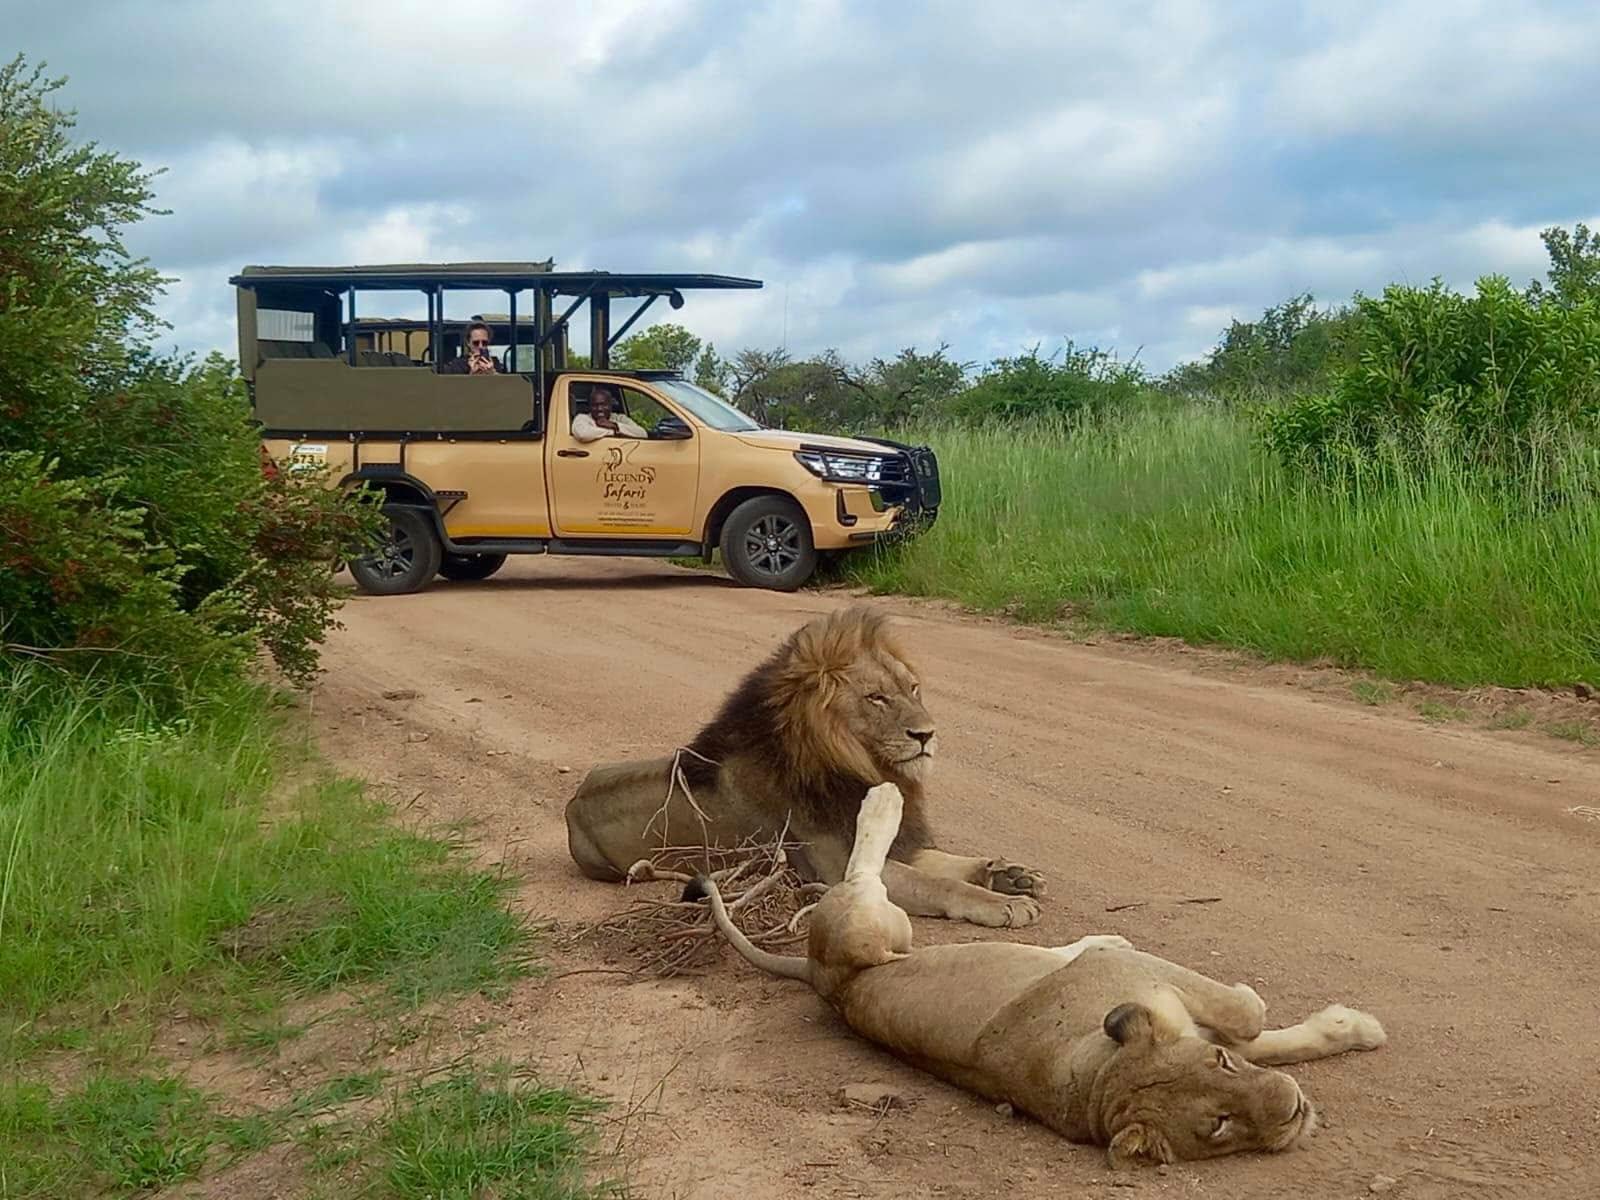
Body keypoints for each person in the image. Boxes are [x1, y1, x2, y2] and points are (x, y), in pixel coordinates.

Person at [572, 385, 647, 441]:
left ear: (610, 405)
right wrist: (613, 432)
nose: (599, 409)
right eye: (595, 405)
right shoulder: (582, 418)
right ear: (589, 407)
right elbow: (582, 434)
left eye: (604, 405)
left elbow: (642, 434)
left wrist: (615, 425)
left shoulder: (620, 418)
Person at [439, 322, 505, 374]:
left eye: (484, 343)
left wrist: (493, 374)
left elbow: (506, 386)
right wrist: (472, 375)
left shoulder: (496, 363)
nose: (480, 346)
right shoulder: (457, 365)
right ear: (468, 343)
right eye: (476, 343)